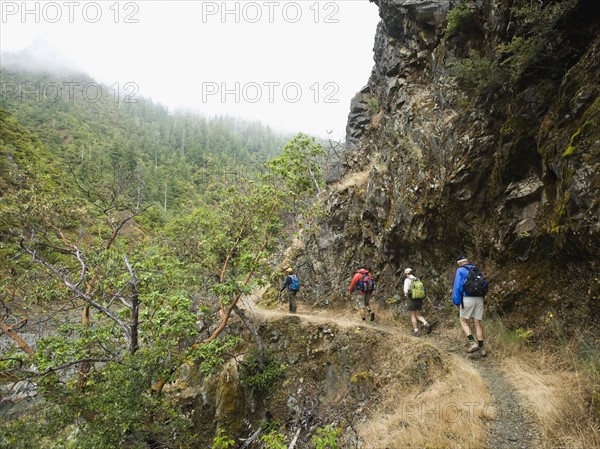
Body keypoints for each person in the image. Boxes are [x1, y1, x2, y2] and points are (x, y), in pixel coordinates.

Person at [452, 256, 485, 354]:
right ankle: (482, 349)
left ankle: (472, 343)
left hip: (467, 298)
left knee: (463, 320)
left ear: (459, 263)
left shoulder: (460, 270)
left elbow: (457, 287)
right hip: (479, 299)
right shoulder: (476, 269)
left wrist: (456, 302)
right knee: (477, 323)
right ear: (467, 261)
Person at [403, 268, 430, 336]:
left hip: (412, 299)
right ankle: (426, 323)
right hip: (419, 299)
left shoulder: (407, 280)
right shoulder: (417, 279)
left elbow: (406, 291)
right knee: (418, 315)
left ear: (406, 273)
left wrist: (406, 295)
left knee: (413, 315)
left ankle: (416, 331)